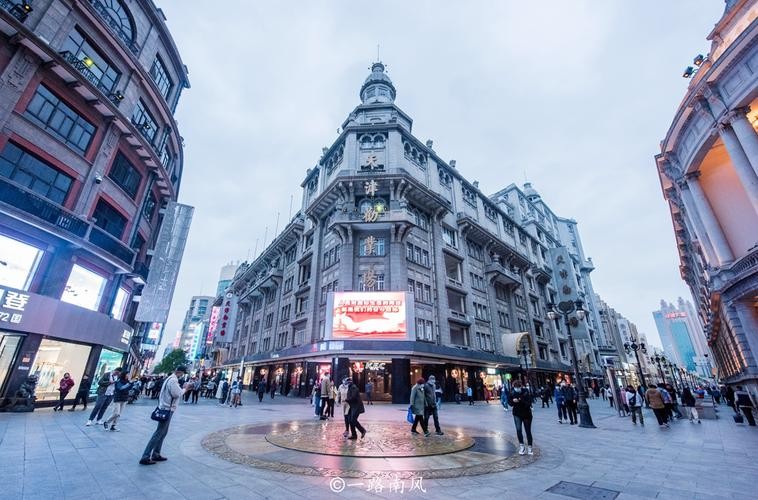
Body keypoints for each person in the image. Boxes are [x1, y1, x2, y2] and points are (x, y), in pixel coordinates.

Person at [140, 365, 188, 465]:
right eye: (183, 373)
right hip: (167, 409)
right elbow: (177, 394)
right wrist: (185, 389)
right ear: (180, 372)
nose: (182, 375)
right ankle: (146, 455)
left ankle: (156, 453)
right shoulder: (173, 380)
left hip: (164, 407)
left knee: (163, 433)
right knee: (159, 433)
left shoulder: (169, 378)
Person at [508, 380, 534, 455]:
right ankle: (522, 446)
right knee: (518, 430)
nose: (517, 389)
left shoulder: (526, 391)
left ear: (521, 386)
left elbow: (528, 402)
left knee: (528, 431)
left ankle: (530, 447)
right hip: (517, 414)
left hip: (526, 414)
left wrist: (520, 400)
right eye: (515, 387)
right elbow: (510, 403)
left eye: (518, 387)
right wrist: (513, 401)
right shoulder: (512, 392)